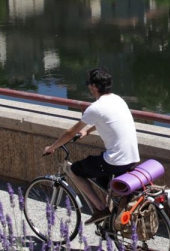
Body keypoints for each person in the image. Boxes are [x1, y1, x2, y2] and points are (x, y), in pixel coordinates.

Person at [43, 67, 140, 221]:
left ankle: (100, 210)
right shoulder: (118, 99)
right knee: (101, 179)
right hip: (132, 157)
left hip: (115, 160)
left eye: (88, 83)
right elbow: (106, 119)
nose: (88, 86)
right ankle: (113, 217)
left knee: (75, 170)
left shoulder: (95, 108)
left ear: (94, 86)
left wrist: (52, 148)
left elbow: (70, 133)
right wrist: (88, 131)